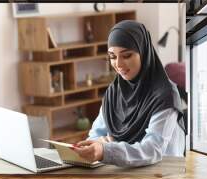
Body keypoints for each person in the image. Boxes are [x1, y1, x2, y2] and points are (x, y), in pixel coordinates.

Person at [72, 20, 185, 167]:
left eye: (126, 56)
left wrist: (106, 150)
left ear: (143, 53)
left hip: (162, 175)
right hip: (125, 171)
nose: (118, 64)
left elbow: (152, 149)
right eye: (112, 56)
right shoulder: (114, 92)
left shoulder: (165, 95)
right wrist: (99, 144)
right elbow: (96, 134)